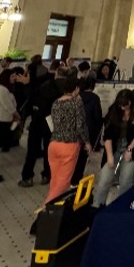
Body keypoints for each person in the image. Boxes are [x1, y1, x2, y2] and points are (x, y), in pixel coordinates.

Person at [92, 89, 134, 207]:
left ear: (130, 102)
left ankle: (121, 206)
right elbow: (107, 136)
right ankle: (97, 206)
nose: (122, 108)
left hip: (132, 146)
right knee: (105, 178)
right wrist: (110, 157)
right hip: (114, 145)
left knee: (126, 180)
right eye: (120, 105)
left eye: (125, 106)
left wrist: (130, 149)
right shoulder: (113, 111)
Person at [46, 74, 91, 204]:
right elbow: (80, 125)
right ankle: (47, 209)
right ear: (76, 89)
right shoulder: (76, 103)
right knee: (63, 182)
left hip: (54, 144)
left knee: (55, 180)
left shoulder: (56, 102)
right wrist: (87, 142)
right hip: (69, 145)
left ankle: (53, 207)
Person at [71, 76, 103, 185]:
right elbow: (97, 116)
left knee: (74, 155)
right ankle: (77, 178)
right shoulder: (94, 98)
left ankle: (71, 178)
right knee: (83, 157)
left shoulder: (76, 96)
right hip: (89, 129)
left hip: (75, 130)